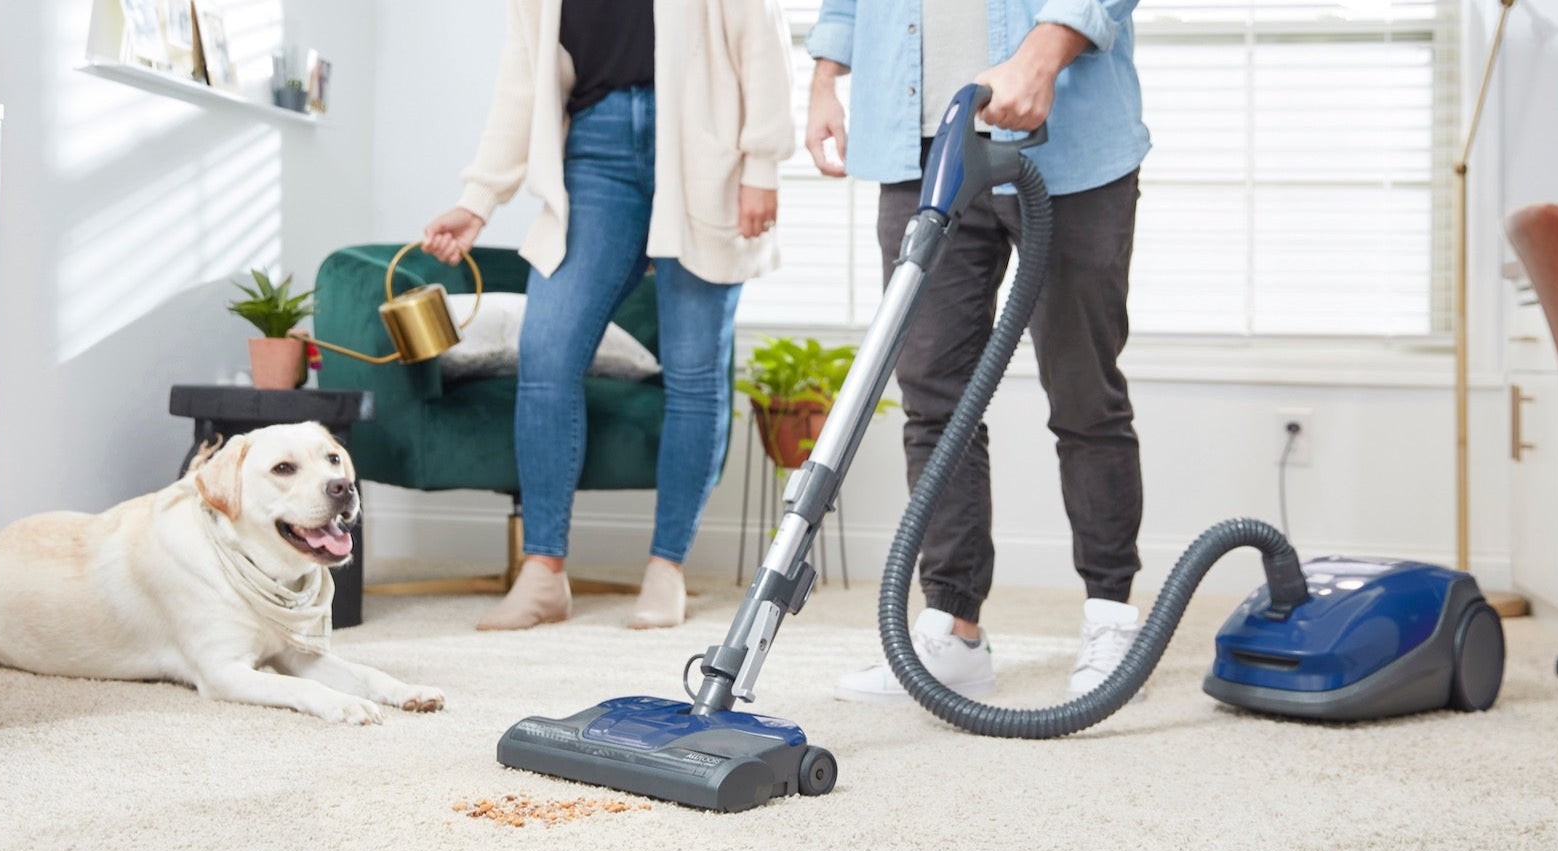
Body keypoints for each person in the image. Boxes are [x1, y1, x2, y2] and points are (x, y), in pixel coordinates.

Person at [805, 0, 1151, 701]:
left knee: (1083, 391)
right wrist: (822, 79)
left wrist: (1041, 54)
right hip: (918, 146)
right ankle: (952, 628)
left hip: (1066, 139)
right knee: (933, 400)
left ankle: (1111, 616)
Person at [421, 0, 795, 631]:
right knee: (547, 351)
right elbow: (524, 77)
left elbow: (759, 34)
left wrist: (762, 164)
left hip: (706, 146)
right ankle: (543, 572)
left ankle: (666, 569)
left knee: (693, 366)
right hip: (594, 150)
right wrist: (478, 198)